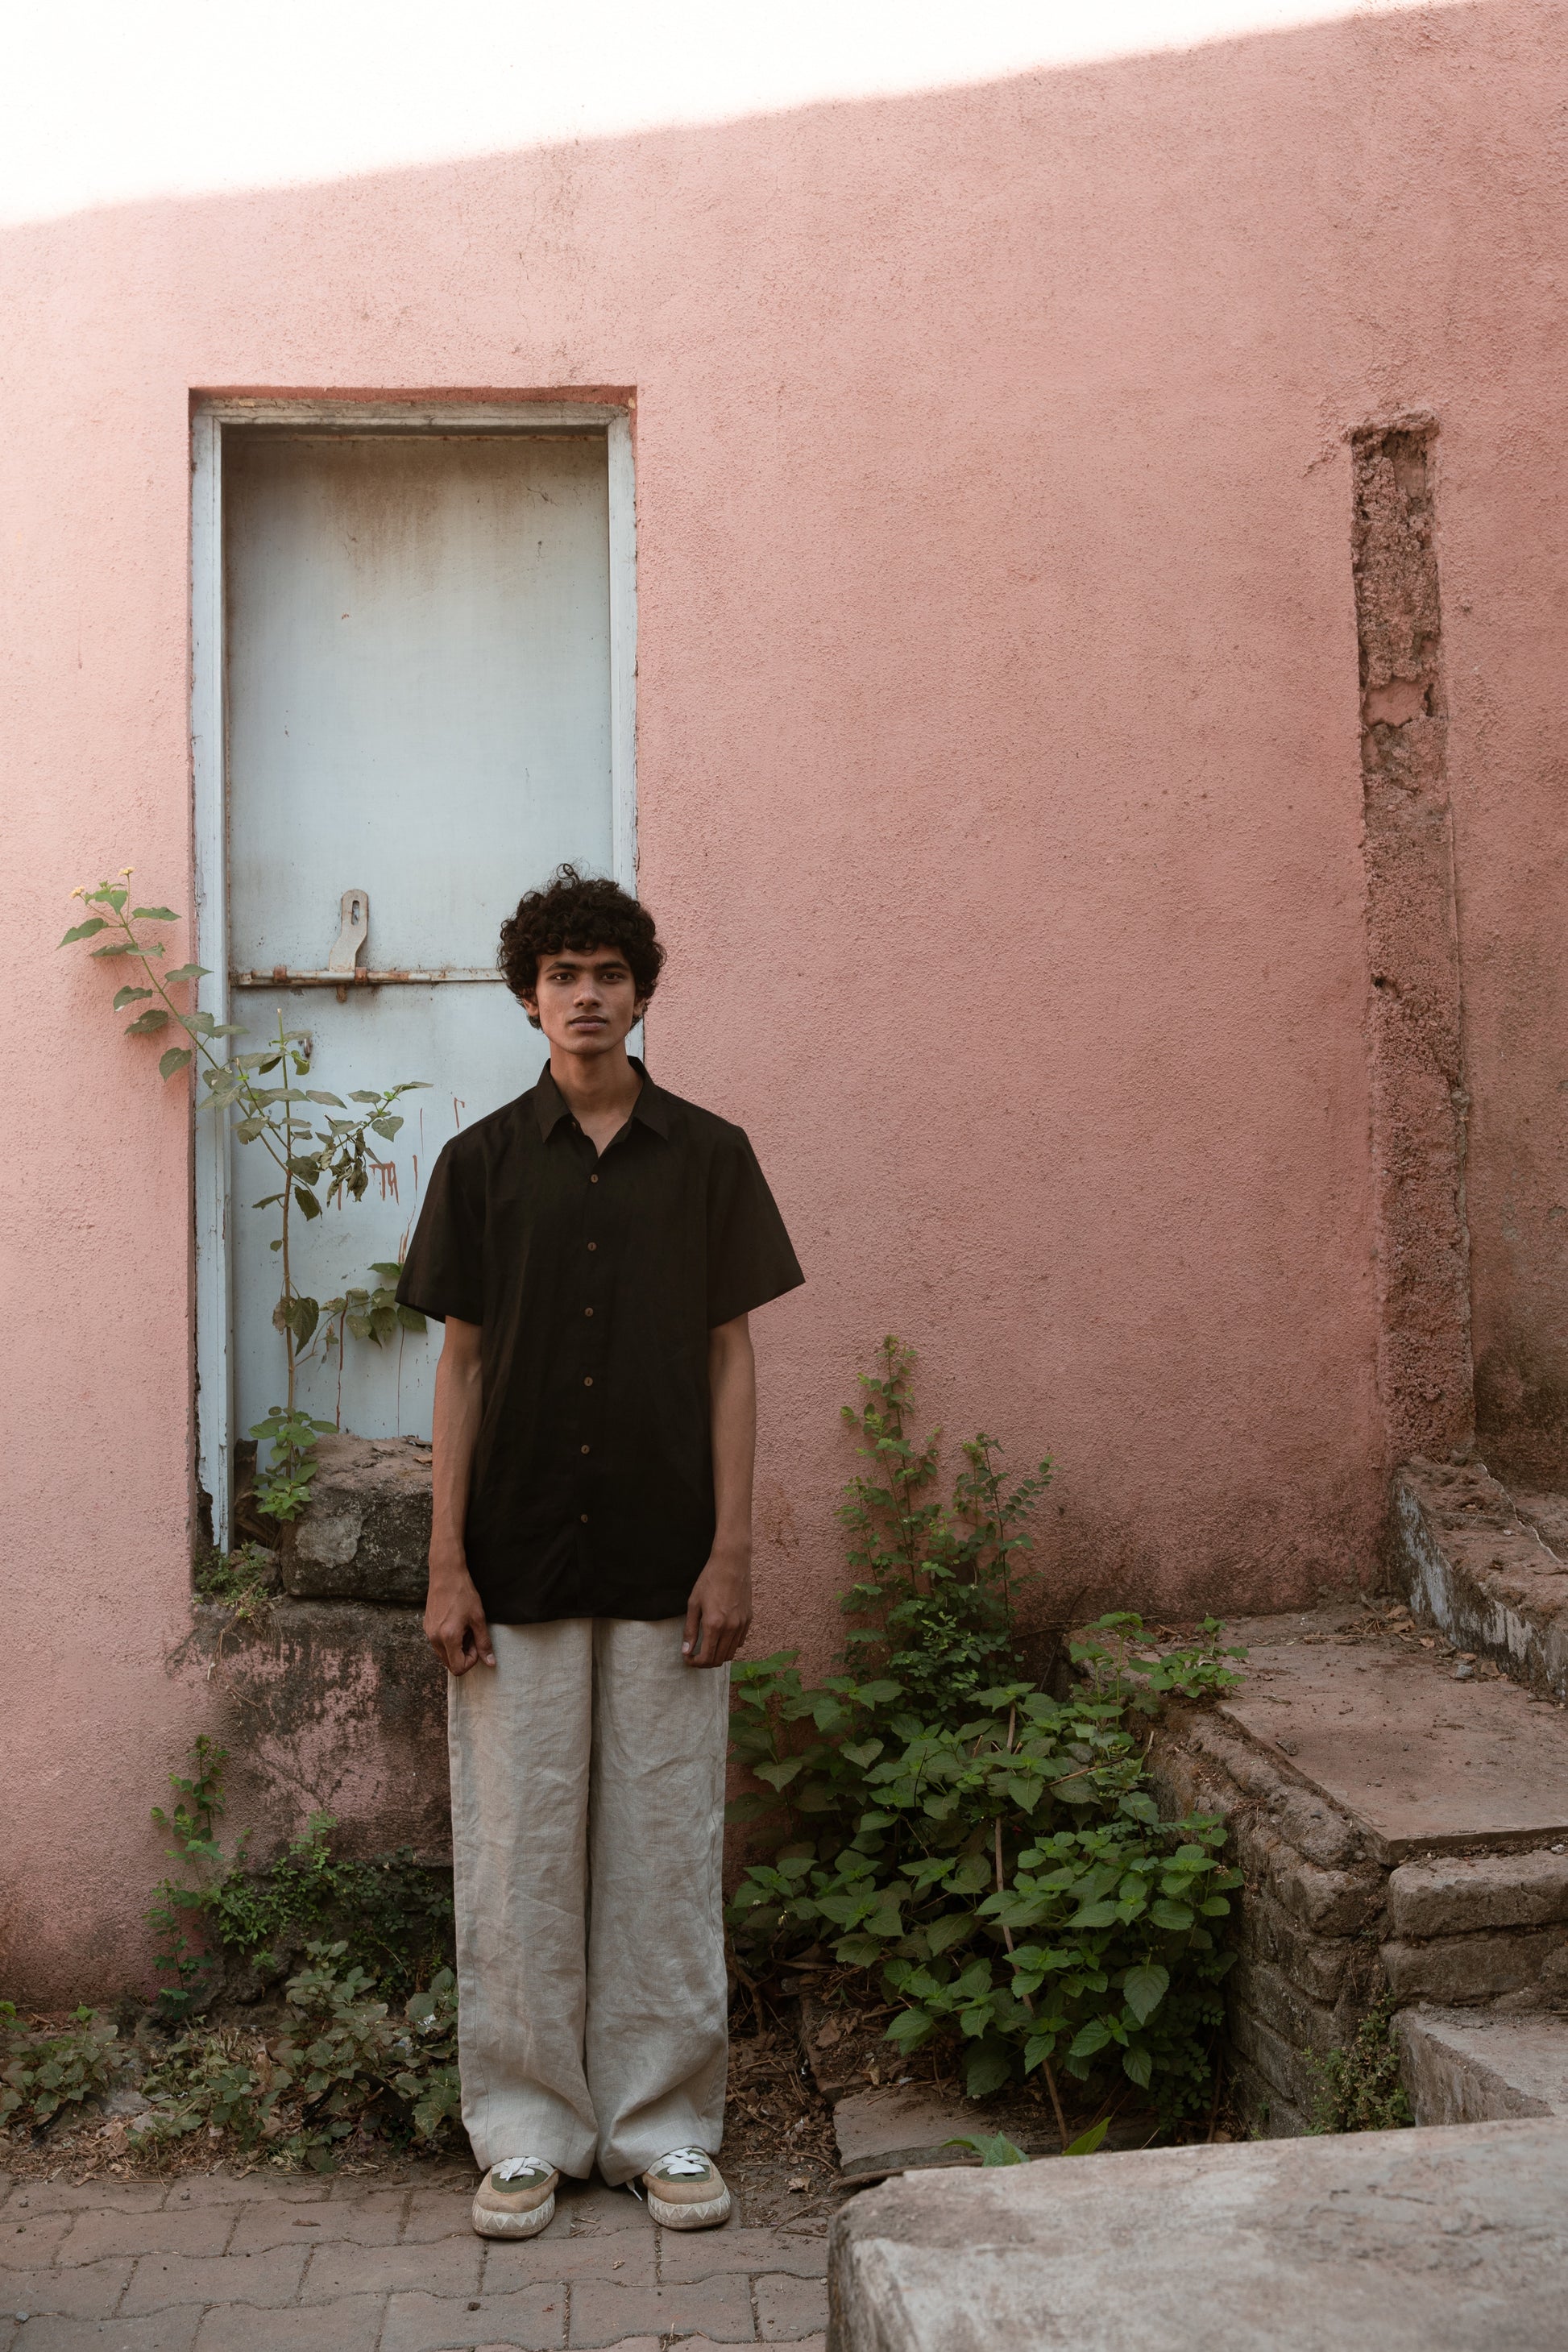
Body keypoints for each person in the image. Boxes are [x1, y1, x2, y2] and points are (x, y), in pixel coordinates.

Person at [396, 866, 803, 2240]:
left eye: (606, 973)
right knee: (515, 1854)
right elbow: (456, 1369)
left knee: (663, 1846)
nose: (583, 995)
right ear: (528, 1000)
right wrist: (445, 1560)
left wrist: (731, 1550)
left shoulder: (710, 1156)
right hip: (510, 1557)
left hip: (663, 1551)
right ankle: (523, 2129)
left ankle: (663, 2128)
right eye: (560, 974)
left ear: (641, 993)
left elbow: (730, 1358)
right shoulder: (479, 1166)